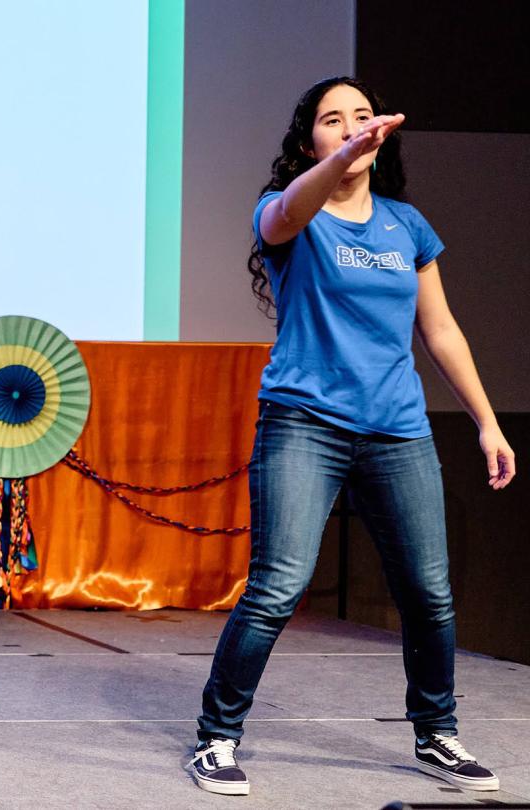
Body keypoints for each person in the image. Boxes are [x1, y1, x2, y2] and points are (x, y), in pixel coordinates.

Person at [187, 77, 516, 797]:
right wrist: (340, 161)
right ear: (310, 142)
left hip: (397, 429)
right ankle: (216, 738)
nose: (353, 128)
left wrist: (489, 422)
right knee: (277, 587)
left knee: (429, 594)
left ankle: (436, 734)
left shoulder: (407, 225)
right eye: (333, 121)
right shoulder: (293, 214)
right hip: (305, 421)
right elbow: (286, 211)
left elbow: (440, 330)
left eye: (363, 117)